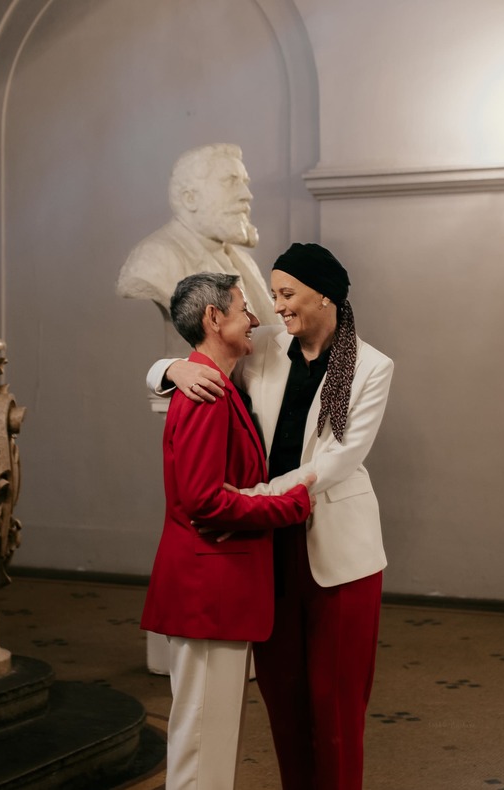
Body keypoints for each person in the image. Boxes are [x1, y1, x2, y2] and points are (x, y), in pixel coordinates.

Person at [149, 243, 394, 790]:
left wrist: (261, 496)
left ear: (323, 293)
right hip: (265, 550)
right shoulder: (262, 351)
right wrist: (166, 369)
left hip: (337, 554)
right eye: (273, 295)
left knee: (335, 707)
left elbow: (339, 460)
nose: (276, 307)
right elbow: (206, 352)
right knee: (282, 698)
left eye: (286, 294)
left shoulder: (373, 367)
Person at [139, 272, 316, 790]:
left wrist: (168, 367)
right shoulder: (205, 391)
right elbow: (202, 500)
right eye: (244, 309)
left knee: (211, 739)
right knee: (201, 742)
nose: (256, 318)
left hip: (218, 591)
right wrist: (288, 506)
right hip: (207, 593)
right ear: (214, 319)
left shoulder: (212, 380)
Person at [118, 143, 278, 327]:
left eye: (244, 183)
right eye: (231, 182)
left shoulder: (243, 261)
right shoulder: (154, 258)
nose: (246, 195)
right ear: (190, 198)